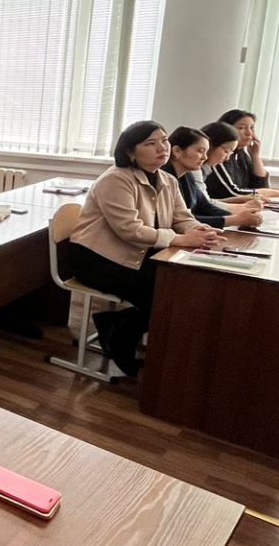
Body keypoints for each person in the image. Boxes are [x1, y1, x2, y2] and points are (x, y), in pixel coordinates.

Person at [66, 121, 225, 377]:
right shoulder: (115, 179)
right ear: (130, 152)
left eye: (164, 140)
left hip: (136, 253)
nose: (162, 148)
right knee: (164, 289)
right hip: (97, 258)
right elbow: (130, 230)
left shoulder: (167, 179)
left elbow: (182, 217)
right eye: (150, 143)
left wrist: (200, 231)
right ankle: (120, 334)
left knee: (181, 284)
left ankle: (116, 326)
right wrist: (180, 239)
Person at [165, 126, 263, 228]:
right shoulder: (165, 178)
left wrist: (239, 217)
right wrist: (235, 219)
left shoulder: (187, 175)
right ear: (177, 151)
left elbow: (205, 206)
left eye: (206, 152)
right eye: (200, 151)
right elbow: (180, 221)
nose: (205, 157)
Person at [216, 108, 279, 197]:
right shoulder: (220, 155)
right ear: (226, 130)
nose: (249, 133)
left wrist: (255, 156)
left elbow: (262, 187)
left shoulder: (241, 154)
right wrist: (275, 193)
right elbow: (232, 193)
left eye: (252, 128)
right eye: (241, 128)